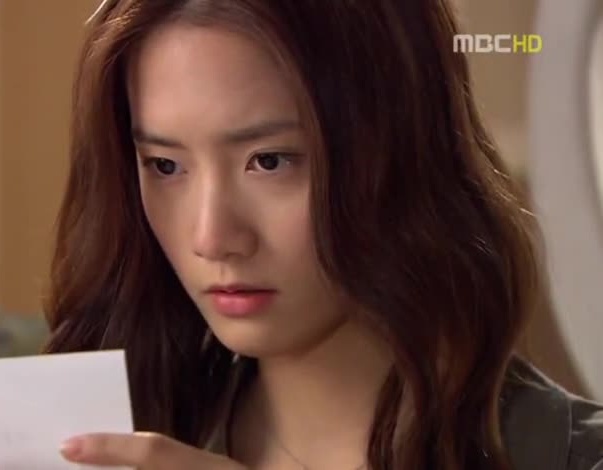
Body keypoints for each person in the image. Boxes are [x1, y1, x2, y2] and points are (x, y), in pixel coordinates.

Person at [42, 1, 603, 469]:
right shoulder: (111, 440)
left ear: (403, 153)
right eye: (165, 165)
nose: (212, 238)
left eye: (270, 161)